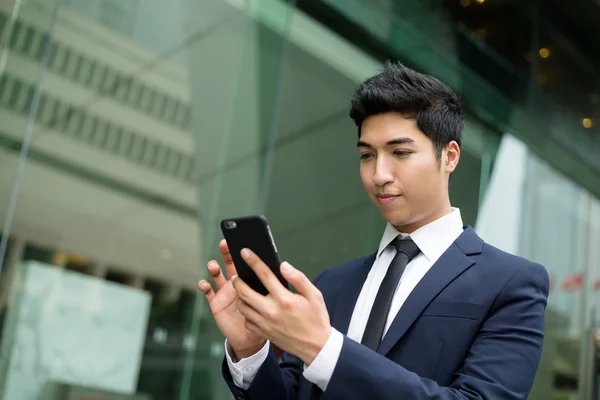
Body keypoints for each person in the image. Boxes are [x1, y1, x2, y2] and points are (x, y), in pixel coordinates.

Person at [197, 61, 549, 400]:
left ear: (450, 156)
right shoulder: (331, 285)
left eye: (400, 152)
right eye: (367, 155)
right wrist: (251, 350)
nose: (379, 174)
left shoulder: (512, 283)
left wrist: (324, 349)